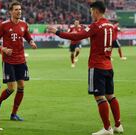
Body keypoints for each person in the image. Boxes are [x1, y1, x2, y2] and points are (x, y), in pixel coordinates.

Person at [48, 1, 123, 135]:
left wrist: (57, 32)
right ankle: (118, 125)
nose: (91, 14)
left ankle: (107, 128)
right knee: (111, 95)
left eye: (91, 11)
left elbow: (77, 36)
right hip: (108, 65)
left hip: (97, 66)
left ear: (96, 11)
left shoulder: (96, 25)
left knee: (99, 97)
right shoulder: (110, 26)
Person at [0, 1, 37, 121]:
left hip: (21, 60)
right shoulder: (3, 25)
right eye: (16, 9)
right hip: (8, 60)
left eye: (20, 9)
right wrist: (2, 49)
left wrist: (31, 42)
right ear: (10, 12)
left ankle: (14, 114)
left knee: (21, 86)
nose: (19, 11)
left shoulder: (24, 24)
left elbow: (27, 35)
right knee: (11, 88)